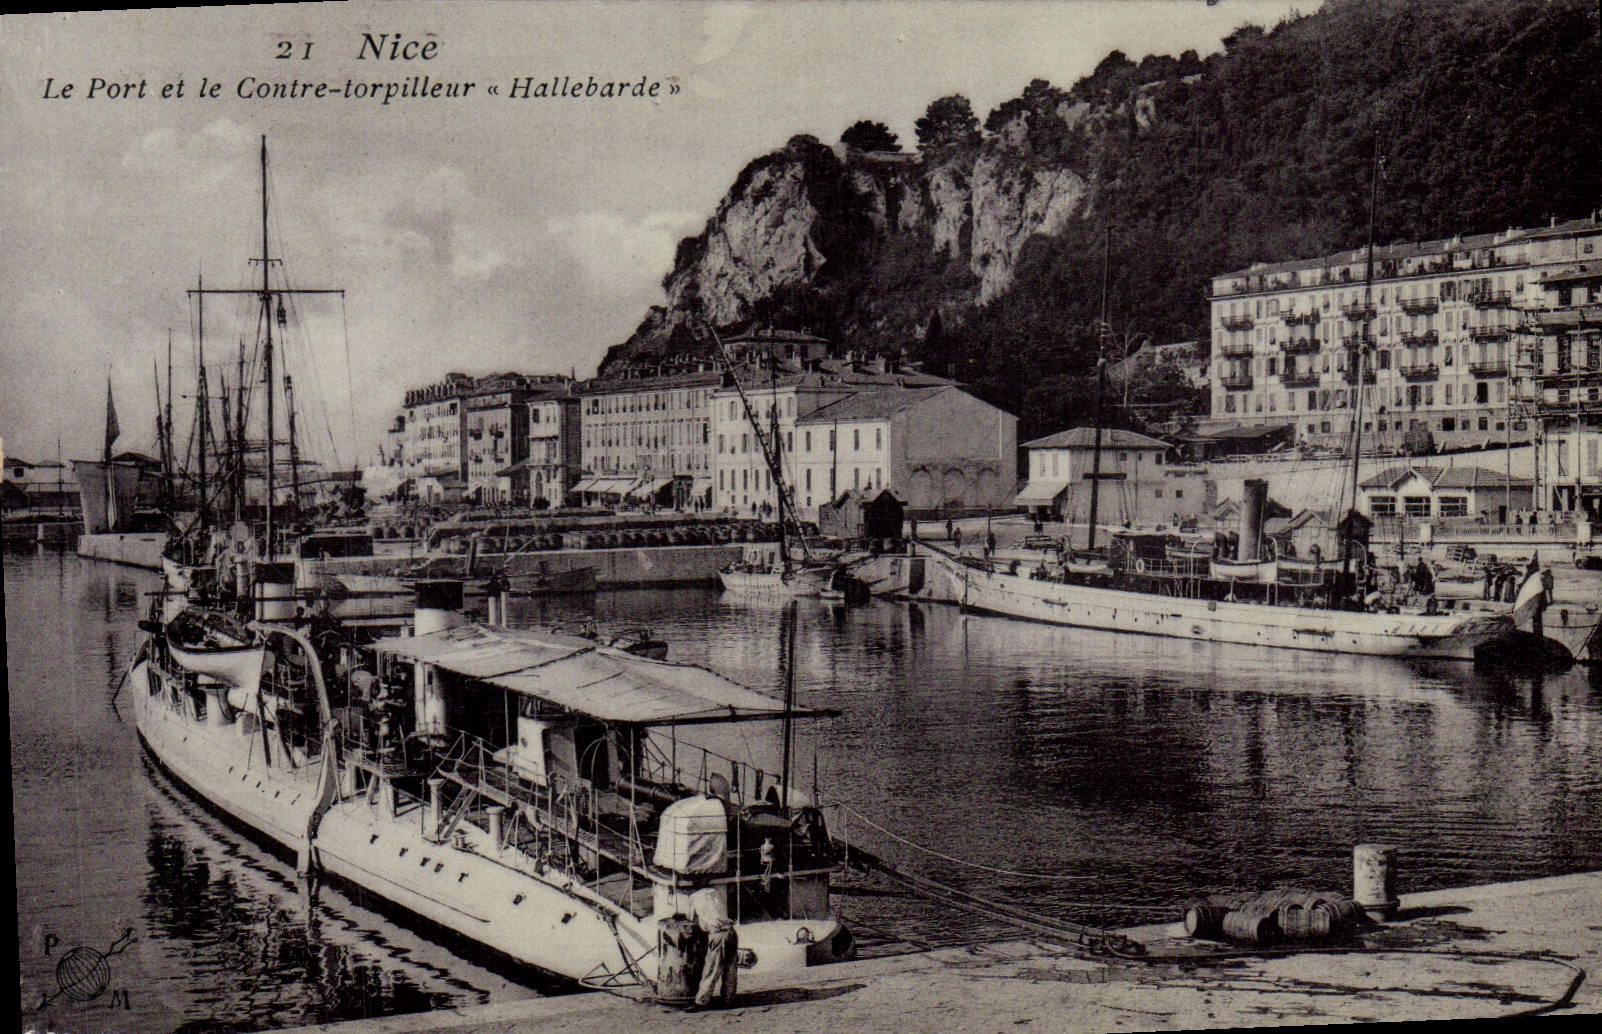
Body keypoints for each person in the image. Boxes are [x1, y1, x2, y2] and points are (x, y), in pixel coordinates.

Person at [688, 881, 738, 1009]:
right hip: (730, 932)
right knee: (730, 968)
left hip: (717, 934)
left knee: (712, 969)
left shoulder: (694, 897)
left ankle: (701, 1001)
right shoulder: (714, 893)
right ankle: (728, 999)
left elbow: (691, 918)